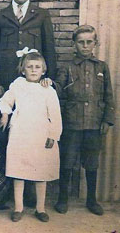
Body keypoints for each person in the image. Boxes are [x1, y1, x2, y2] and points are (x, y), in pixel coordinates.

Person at [0, 0, 57, 208]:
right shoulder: (0, 17)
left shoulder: (41, 16)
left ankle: (29, 196)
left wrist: (49, 80)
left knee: (32, 140)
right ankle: (4, 192)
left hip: (35, 90)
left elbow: (50, 51)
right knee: (8, 139)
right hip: (7, 88)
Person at [54, 25, 115, 216]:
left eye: (89, 42)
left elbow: (109, 96)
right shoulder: (67, 67)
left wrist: (107, 120)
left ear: (95, 43)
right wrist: (47, 83)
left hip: (94, 124)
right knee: (67, 161)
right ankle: (62, 199)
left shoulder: (102, 67)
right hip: (72, 123)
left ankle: (91, 200)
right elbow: (58, 90)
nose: (85, 46)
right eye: (81, 42)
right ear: (74, 44)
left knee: (91, 162)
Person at [0, 51, 62, 222]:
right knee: (19, 169)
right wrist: (5, 114)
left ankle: (40, 208)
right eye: (29, 67)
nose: (33, 70)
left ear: (43, 70)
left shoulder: (48, 90)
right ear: (23, 70)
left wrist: (54, 134)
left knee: (40, 171)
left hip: (41, 133)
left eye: (37, 67)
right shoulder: (17, 85)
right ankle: (18, 207)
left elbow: (55, 114)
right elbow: (6, 101)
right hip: (20, 133)